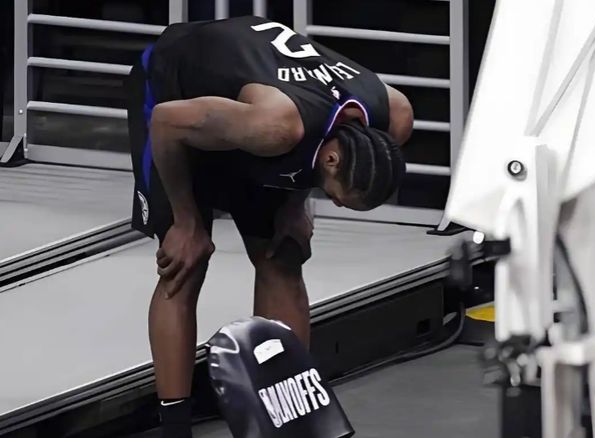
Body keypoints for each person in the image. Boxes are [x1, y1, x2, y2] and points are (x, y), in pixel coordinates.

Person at [126, 15, 413, 438]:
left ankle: (287, 415)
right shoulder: (275, 127)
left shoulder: (395, 118)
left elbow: (318, 147)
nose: (334, 203)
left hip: (251, 116)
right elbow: (167, 122)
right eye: (338, 197)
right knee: (185, 262)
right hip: (177, 99)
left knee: (283, 254)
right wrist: (186, 222)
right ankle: (175, 428)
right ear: (332, 161)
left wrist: (295, 205)